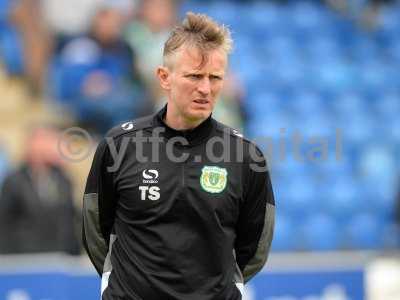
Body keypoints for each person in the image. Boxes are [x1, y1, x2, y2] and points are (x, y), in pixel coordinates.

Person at [82, 12, 275, 300]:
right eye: (194, 76)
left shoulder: (246, 157)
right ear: (164, 77)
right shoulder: (119, 145)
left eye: (215, 77)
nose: (205, 89)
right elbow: (96, 229)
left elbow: (255, 246)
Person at [0, 125, 80, 254]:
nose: (50, 146)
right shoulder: (14, 180)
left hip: (60, 258)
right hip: (26, 260)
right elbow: (4, 225)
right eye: (44, 141)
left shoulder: (63, 179)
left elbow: (69, 220)